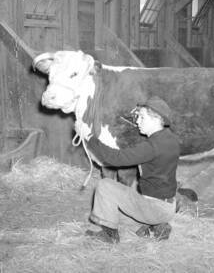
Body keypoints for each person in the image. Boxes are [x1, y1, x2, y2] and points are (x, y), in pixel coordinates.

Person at [76, 96, 181, 243]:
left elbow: (115, 159)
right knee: (117, 212)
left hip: (155, 207)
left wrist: (89, 137)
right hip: (168, 205)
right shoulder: (171, 139)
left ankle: (109, 235)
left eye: (142, 117)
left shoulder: (152, 146)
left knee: (105, 185)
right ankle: (155, 226)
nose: (137, 121)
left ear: (156, 119)